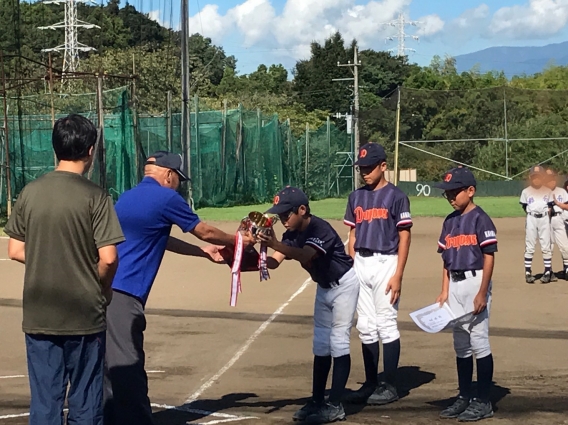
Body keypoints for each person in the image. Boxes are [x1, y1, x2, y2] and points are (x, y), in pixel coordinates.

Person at [103, 151, 254, 425]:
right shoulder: (166, 197)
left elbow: (157, 237)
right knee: (128, 366)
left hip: (104, 290)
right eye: (179, 180)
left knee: (107, 369)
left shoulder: (127, 197)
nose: (178, 185)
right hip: (124, 295)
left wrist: (201, 253)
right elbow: (204, 230)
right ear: (169, 175)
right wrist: (238, 239)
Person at [4, 114, 125, 425]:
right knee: (85, 401)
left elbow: (15, 249)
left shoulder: (30, 192)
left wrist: (51, 256)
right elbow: (109, 258)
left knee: (45, 402)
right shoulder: (96, 196)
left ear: (55, 148)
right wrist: (103, 288)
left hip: (40, 313)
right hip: (84, 314)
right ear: (90, 150)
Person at [255, 186, 359, 424]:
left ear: (302, 210)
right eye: (280, 215)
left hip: (344, 285)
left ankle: (335, 405)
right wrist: (248, 252)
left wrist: (274, 243)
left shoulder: (319, 228)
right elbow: (273, 262)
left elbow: (305, 255)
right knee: (321, 344)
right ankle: (317, 400)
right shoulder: (290, 233)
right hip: (324, 287)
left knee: (339, 341)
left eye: (286, 214)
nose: (282, 219)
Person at [342, 142, 412, 406]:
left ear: (383, 166)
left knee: (386, 322)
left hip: (386, 262)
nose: (365, 172)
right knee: (366, 326)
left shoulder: (396, 196)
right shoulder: (356, 197)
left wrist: (399, 274)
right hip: (361, 261)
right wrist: (351, 265)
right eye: (361, 168)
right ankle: (371, 383)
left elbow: (404, 235)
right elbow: (353, 234)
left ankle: (390, 385)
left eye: (370, 167)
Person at [434, 167, 497, 421]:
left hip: (475, 280)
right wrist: (444, 291)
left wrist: (482, 292)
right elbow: (446, 261)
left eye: (454, 192)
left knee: (478, 341)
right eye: (446, 193)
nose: (450, 197)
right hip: (456, 285)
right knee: (460, 343)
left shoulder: (481, 219)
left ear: (470, 191)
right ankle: (464, 396)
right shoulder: (449, 221)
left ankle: (483, 400)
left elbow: (489, 257)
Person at [520, 166, 554, 284]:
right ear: (530, 178)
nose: (536, 179)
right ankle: (528, 272)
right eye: (534, 177)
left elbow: (550, 206)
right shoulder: (526, 192)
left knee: (546, 245)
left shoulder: (548, 191)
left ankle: (548, 272)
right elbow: (524, 206)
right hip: (531, 218)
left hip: (544, 218)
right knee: (530, 245)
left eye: (538, 177)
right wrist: (532, 215)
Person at [545, 168, 568, 280]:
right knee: (548, 247)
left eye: (552, 178)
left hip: (559, 219)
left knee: (565, 246)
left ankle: (567, 268)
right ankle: (548, 271)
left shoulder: (562, 192)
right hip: (546, 221)